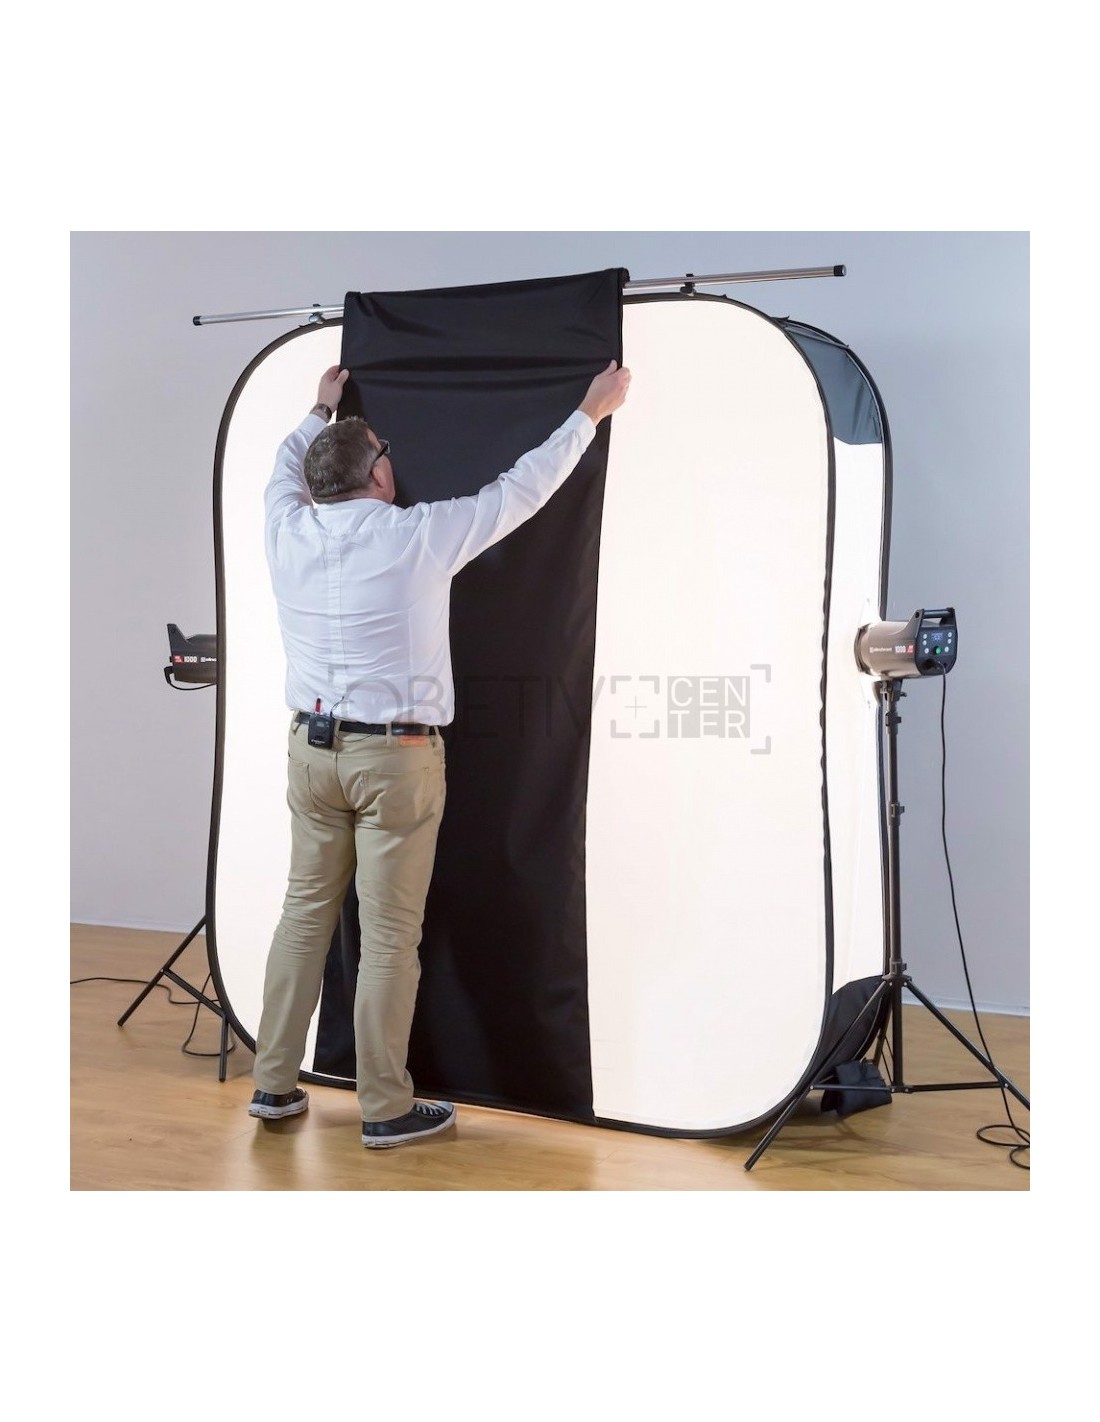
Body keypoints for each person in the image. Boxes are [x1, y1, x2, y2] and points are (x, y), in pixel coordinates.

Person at [249, 358, 632, 1147]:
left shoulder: (284, 526)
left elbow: (285, 464)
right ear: (379, 476)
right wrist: (588, 416)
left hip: (310, 753)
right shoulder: (418, 536)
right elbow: (519, 491)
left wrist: (318, 411)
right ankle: (385, 1109)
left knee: (303, 918)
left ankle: (274, 1087)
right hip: (395, 763)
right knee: (389, 936)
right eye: (385, 455)